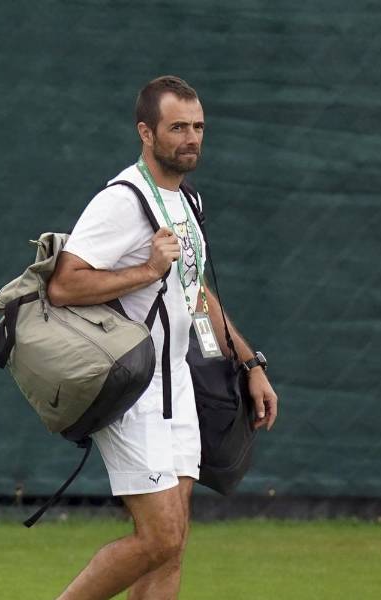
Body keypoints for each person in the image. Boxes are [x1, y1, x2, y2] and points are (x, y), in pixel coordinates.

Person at [46, 75, 279, 600]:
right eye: (178, 127)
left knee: (173, 545)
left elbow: (194, 292)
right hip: (134, 390)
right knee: (158, 537)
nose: (192, 137)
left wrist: (250, 363)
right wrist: (147, 270)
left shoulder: (187, 200)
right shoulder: (123, 200)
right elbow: (64, 284)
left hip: (179, 386)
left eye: (198, 127)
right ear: (146, 133)